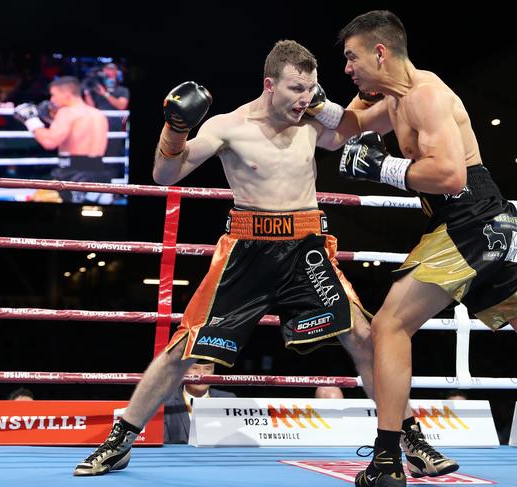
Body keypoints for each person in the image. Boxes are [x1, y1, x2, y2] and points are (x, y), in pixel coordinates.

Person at [72, 39, 454, 477]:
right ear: (269, 85)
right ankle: (120, 440)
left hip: (306, 250)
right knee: (184, 347)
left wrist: (347, 105)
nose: (304, 98)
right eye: (295, 89)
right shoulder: (228, 127)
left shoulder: (312, 120)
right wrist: (175, 129)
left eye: (310, 88)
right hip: (245, 251)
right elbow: (166, 174)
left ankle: (410, 439)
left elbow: (356, 129)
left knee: (365, 338)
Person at [336, 10, 517, 486]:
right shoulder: (393, 101)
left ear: (380, 52)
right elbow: (343, 129)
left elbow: (451, 176)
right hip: (492, 225)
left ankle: (389, 460)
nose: (347, 68)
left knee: (389, 327)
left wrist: (381, 170)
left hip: (469, 221)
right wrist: (305, 103)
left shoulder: (426, 95)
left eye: (352, 57)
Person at [12, 76, 110, 203]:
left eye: (54, 95)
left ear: (67, 95)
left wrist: (31, 120)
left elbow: (49, 142)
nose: (52, 99)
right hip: (100, 173)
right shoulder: (98, 114)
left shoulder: (67, 112)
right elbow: (77, 136)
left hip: (72, 174)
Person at [164, 360, 235, 444]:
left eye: (207, 369)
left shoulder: (228, 399)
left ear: (213, 372)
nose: (201, 374)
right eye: (195, 368)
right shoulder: (166, 402)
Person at [84, 63, 130, 157]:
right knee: (96, 152)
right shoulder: (95, 89)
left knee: (113, 153)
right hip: (98, 125)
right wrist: (87, 92)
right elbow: (90, 108)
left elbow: (122, 105)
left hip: (114, 126)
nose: (108, 72)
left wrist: (105, 94)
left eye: (111, 69)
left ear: (116, 72)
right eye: (106, 69)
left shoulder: (122, 90)